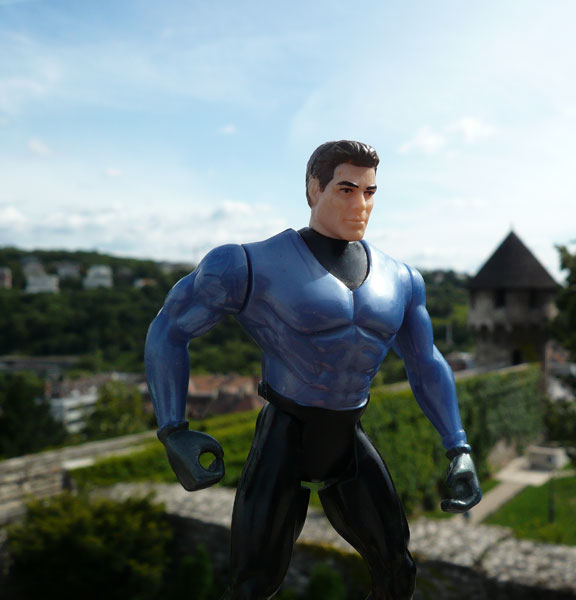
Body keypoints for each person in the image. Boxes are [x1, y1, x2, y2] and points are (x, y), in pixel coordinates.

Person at [145, 140, 482, 600]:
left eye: (369, 192)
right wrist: (172, 428)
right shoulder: (248, 264)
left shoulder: (401, 279)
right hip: (285, 433)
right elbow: (168, 329)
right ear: (313, 188)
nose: (360, 205)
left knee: (398, 571)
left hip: (347, 435)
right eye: (346, 189)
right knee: (252, 586)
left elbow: (426, 363)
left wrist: (458, 447)